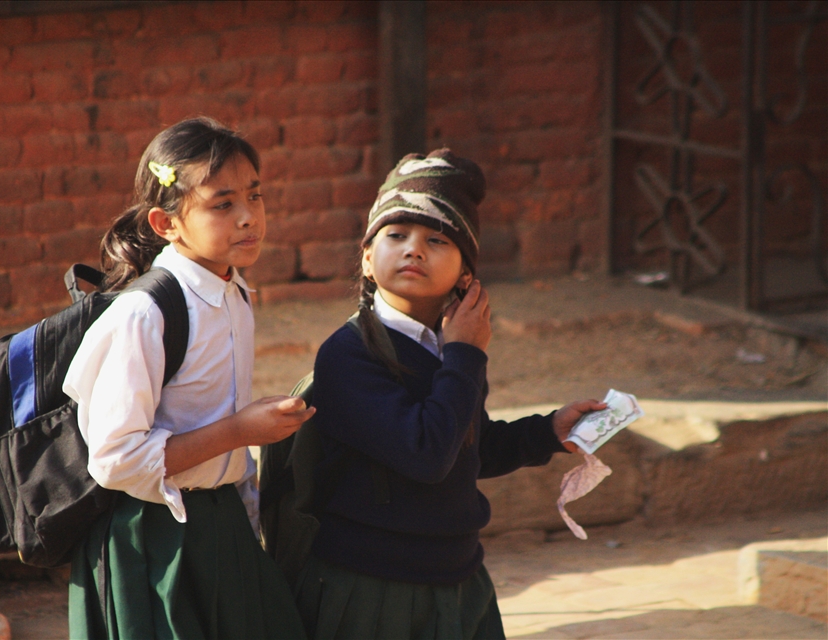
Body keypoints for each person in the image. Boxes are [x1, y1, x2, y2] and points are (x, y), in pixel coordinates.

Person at [294, 149, 606, 640]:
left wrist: (546, 432)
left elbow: (464, 446)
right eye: (395, 236)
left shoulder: (447, 346)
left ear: (466, 274)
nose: (413, 249)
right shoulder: (349, 353)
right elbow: (426, 454)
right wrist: (465, 356)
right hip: (376, 591)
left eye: (436, 240)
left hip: (457, 578)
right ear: (367, 259)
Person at [63, 117, 313, 639]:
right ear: (165, 223)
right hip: (150, 542)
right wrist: (241, 431)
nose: (249, 217)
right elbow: (116, 459)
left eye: (255, 196)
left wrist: (249, 522)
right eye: (222, 204)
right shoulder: (145, 315)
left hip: (220, 530)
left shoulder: (234, 292)